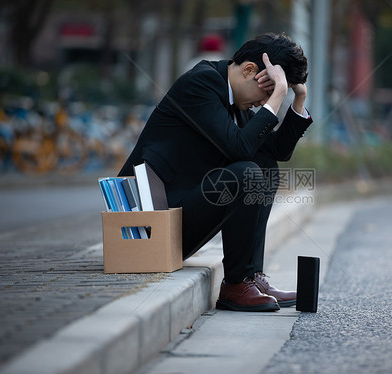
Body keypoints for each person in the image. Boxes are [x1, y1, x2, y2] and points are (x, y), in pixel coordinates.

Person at [118, 33, 313, 312]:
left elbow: (276, 152)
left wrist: (298, 98)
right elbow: (241, 149)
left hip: (183, 211)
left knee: (265, 168)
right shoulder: (201, 83)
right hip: (152, 224)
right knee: (247, 172)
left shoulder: (238, 97)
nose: (265, 103)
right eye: (268, 93)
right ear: (249, 71)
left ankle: (249, 277)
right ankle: (235, 284)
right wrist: (277, 96)